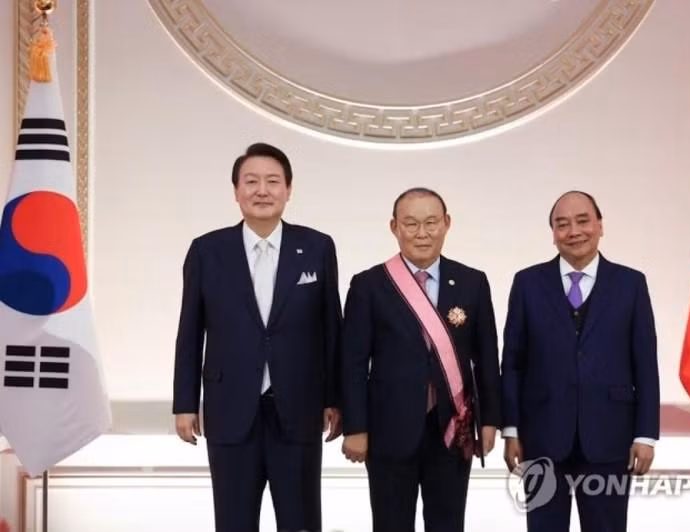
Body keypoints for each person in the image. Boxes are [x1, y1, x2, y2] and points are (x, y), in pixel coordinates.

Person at [172, 142, 343, 532]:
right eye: (251, 182)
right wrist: (184, 402)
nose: (262, 191)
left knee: (301, 522)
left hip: (299, 409)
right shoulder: (207, 251)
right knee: (233, 522)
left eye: (272, 181)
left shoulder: (317, 247)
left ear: (288, 189)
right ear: (236, 191)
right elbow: (190, 331)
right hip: (229, 408)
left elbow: (332, 329)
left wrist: (334, 398)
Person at [340, 187, 502, 532]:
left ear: (447, 223)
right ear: (394, 227)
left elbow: (487, 358)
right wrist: (355, 427)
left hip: (453, 428)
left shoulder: (472, 282)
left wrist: (489, 421)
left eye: (431, 222)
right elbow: (352, 363)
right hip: (388, 430)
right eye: (411, 223)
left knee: (448, 524)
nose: (422, 233)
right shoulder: (369, 285)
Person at [501, 190, 660, 532]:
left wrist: (646, 435)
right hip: (541, 436)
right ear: (553, 233)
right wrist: (511, 430)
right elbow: (512, 363)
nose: (573, 231)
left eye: (583, 221)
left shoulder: (631, 283)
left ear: (600, 226)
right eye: (562, 224)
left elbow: (646, 364)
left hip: (610, 436)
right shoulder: (527, 283)